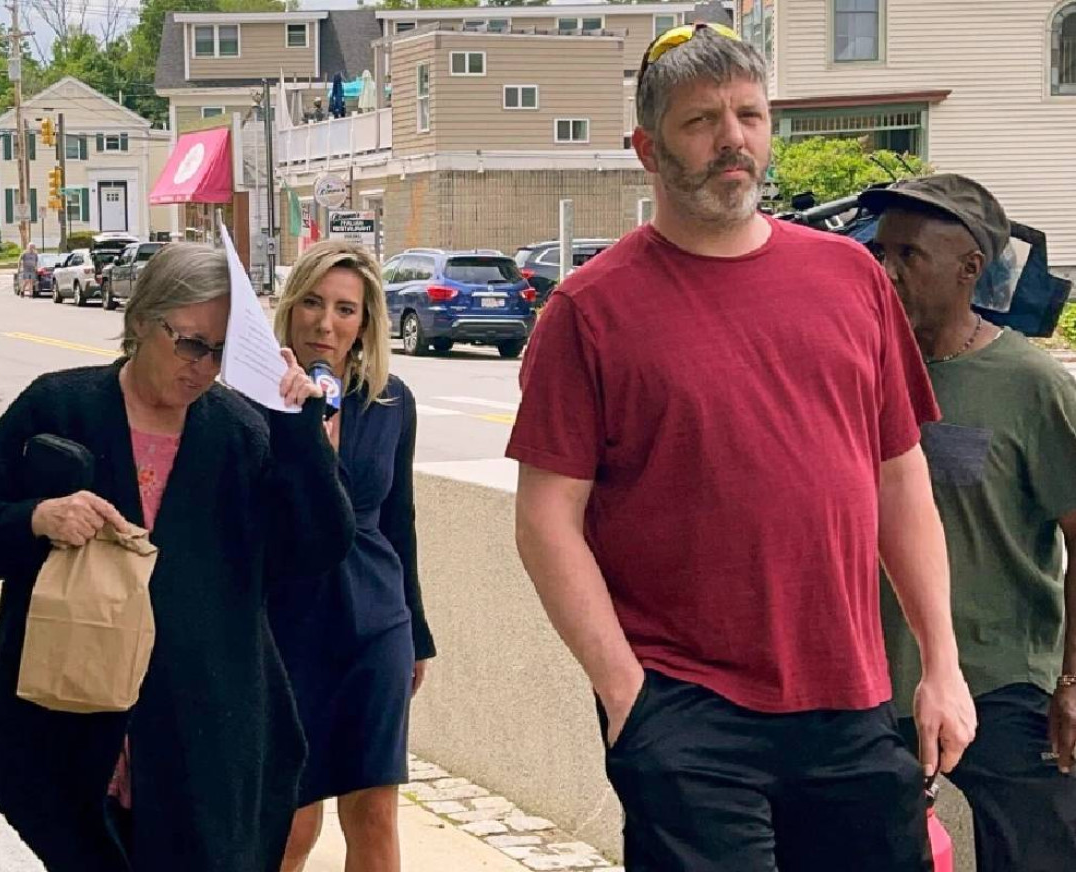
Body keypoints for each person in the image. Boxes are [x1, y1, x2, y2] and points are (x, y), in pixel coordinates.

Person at [506, 23, 977, 871]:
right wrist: (627, 696)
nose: (733, 138)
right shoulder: (589, 310)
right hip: (687, 710)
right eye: (701, 120)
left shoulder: (853, 279)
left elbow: (900, 479)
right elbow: (546, 519)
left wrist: (942, 664)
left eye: (749, 115)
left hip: (851, 699)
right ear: (646, 149)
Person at [0, 243, 355, 872]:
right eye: (190, 344)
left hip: (198, 742)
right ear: (140, 321)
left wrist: (298, 427)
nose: (203, 368)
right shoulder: (59, 408)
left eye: (220, 351)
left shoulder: (241, 432)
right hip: (62, 734)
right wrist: (35, 518)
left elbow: (319, 547)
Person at [864, 175, 1076, 871]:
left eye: (910, 255)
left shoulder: (1029, 384)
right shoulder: (865, 374)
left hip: (1005, 686)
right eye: (881, 252)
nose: (888, 271)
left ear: (969, 269)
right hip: (877, 685)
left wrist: (1072, 684)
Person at [271, 240, 435, 872]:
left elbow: (400, 520)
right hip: (284, 625)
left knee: (374, 814)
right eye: (312, 303)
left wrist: (417, 633)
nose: (325, 323)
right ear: (290, 307)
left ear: (365, 323)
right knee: (290, 822)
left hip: (374, 624)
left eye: (345, 309)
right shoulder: (251, 399)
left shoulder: (391, 401)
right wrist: (300, 432)